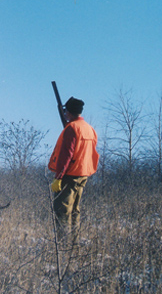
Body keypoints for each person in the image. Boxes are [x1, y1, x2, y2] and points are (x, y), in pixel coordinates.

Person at [48, 97, 99, 243]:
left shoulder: (72, 128)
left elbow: (67, 155)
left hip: (69, 175)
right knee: (75, 210)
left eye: (66, 111)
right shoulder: (89, 129)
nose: (64, 113)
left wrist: (58, 177)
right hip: (83, 174)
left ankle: (64, 245)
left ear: (69, 112)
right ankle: (74, 243)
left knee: (62, 211)